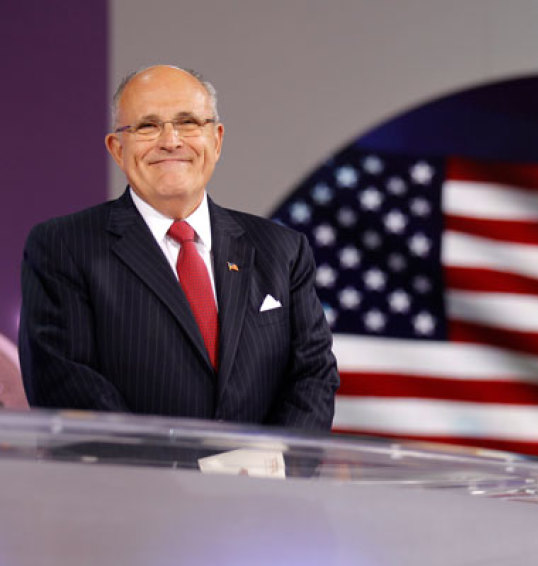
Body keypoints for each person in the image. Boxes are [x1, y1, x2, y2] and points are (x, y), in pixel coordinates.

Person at [18, 65, 339, 430]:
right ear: (117, 149)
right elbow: (66, 385)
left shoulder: (283, 250)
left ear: (216, 140)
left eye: (188, 122)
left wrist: (271, 461)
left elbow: (312, 375)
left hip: (262, 469)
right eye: (147, 126)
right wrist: (174, 465)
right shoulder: (63, 247)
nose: (170, 141)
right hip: (129, 469)